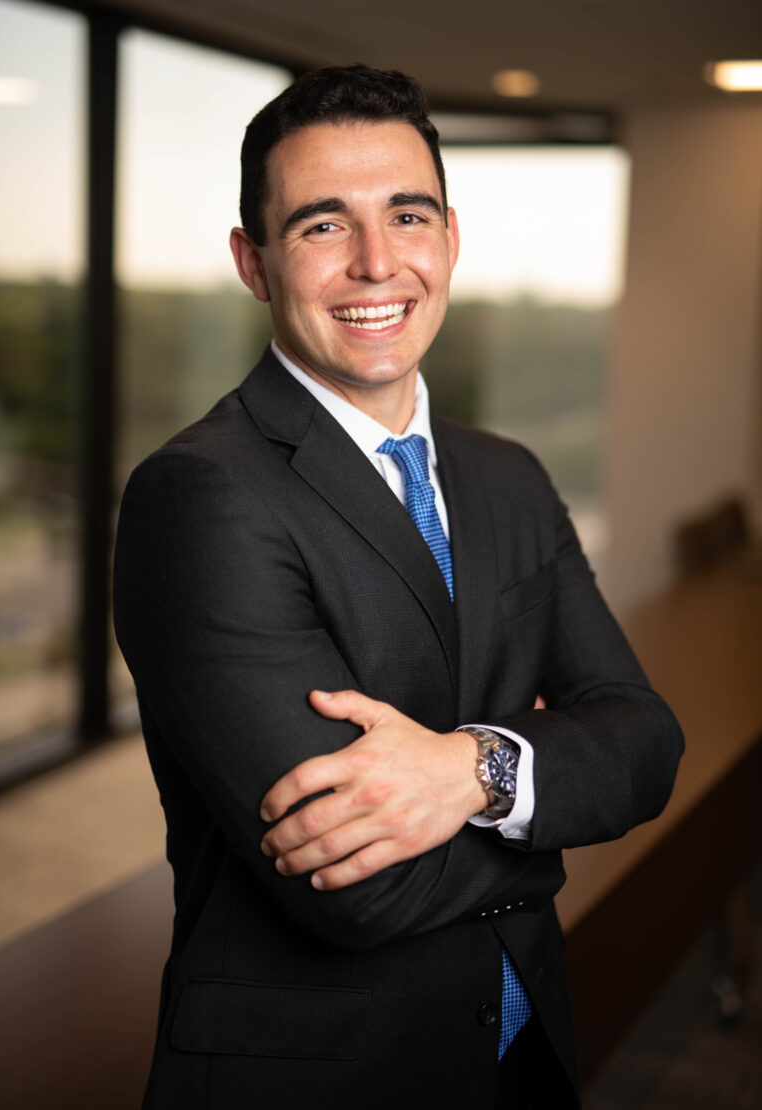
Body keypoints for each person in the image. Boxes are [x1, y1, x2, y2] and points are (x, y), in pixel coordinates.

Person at [113, 64, 683, 1110]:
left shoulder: (507, 474)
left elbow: (647, 742)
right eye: (323, 225)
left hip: (522, 1043)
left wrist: (474, 772)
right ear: (252, 262)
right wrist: (554, 794)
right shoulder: (200, 496)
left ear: (449, 240)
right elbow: (361, 889)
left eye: (407, 215)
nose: (377, 262)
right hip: (321, 1079)